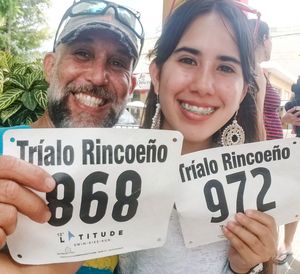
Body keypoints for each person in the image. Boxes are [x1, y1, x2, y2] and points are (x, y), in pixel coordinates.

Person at [118, 0, 277, 273]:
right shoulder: (111, 165)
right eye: (188, 60)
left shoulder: (255, 190)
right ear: (156, 75)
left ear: (242, 93)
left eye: (225, 67)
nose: (203, 85)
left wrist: (245, 266)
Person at [0, 0, 144, 273]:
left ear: (131, 86)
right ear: (49, 66)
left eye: (117, 63)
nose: (98, 76)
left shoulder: (139, 173)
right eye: (82, 53)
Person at [249, 18, 298, 266]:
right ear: (263, 39)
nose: (272, 46)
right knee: (276, 205)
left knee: (282, 203)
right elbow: (256, 116)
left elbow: (267, 116)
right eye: (271, 41)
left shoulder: (262, 71)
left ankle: (277, 250)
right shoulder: (254, 69)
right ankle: (270, 257)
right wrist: (266, 154)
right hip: (267, 153)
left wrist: (284, 118)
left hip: (271, 149)